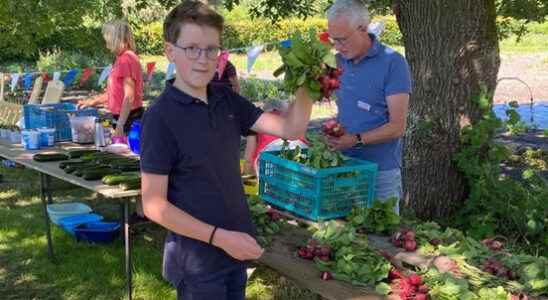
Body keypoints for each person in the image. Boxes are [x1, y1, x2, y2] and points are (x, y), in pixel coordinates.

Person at [139, 1, 313, 299]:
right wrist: (218, 238)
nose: (203, 59)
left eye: (211, 49)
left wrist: (308, 81)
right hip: (197, 261)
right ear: (170, 52)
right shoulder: (160, 117)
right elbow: (154, 205)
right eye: (192, 48)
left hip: (236, 247)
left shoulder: (227, 100)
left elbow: (291, 129)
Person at [325, 0, 412, 213]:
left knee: (382, 241)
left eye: (342, 39)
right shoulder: (336, 62)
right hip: (343, 168)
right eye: (333, 40)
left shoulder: (393, 63)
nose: (337, 46)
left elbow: (397, 126)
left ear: (363, 29)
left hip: (380, 173)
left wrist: (354, 140)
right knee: (343, 236)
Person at [78, 20, 144, 138]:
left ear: (114, 39)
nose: (106, 45)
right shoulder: (122, 58)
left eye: (107, 40)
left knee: (127, 154)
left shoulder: (126, 59)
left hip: (129, 119)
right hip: (123, 118)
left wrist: (120, 124)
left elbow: (129, 96)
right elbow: (114, 94)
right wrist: (91, 102)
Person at [243, 99, 308, 176]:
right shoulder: (293, 123)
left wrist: (246, 177)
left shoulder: (256, 123)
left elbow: (249, 159)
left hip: (269, 161)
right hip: (300, 157)